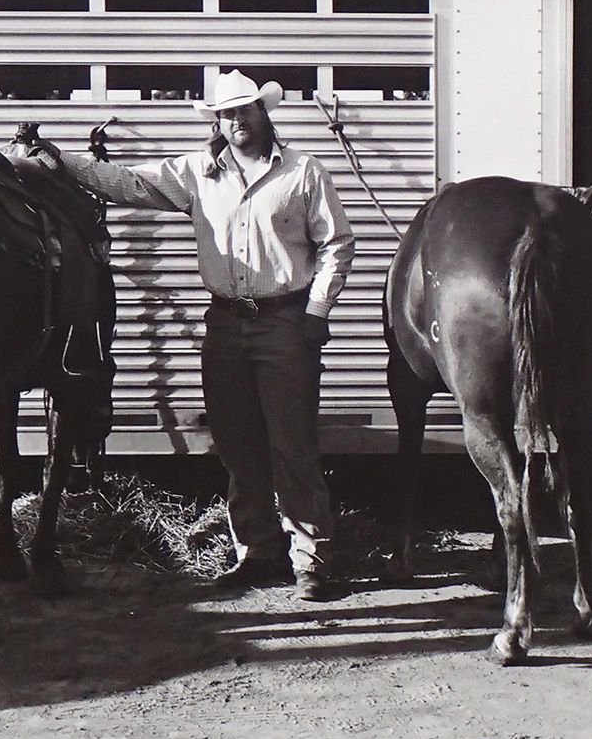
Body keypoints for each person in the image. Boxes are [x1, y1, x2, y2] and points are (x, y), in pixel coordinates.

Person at [34, 69, 355, 600]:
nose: (236, 123)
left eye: (244, 112)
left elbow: (336, 244)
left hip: (284, 323)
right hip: (225, 325)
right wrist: (63, 162)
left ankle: (310, 561)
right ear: (218, 122)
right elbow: (129, 183)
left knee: (292, 443)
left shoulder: (304, 172)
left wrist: (318, 311)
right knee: (236, 443)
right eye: (226, 115)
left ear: (263, 113)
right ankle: (257, 554)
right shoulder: (197, 173)